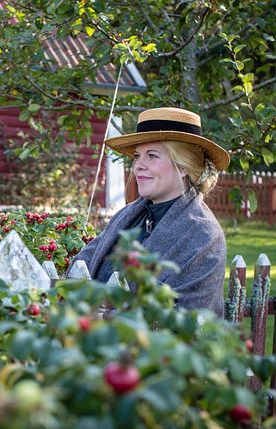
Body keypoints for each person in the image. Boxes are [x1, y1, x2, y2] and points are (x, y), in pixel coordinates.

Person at [73, 107, 229, 315]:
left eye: (152, 156)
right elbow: (79, 268)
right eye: (137, 156)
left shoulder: (204, 237)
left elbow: (186, 324)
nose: (138, 166)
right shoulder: (127, 216)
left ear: (183, 167)